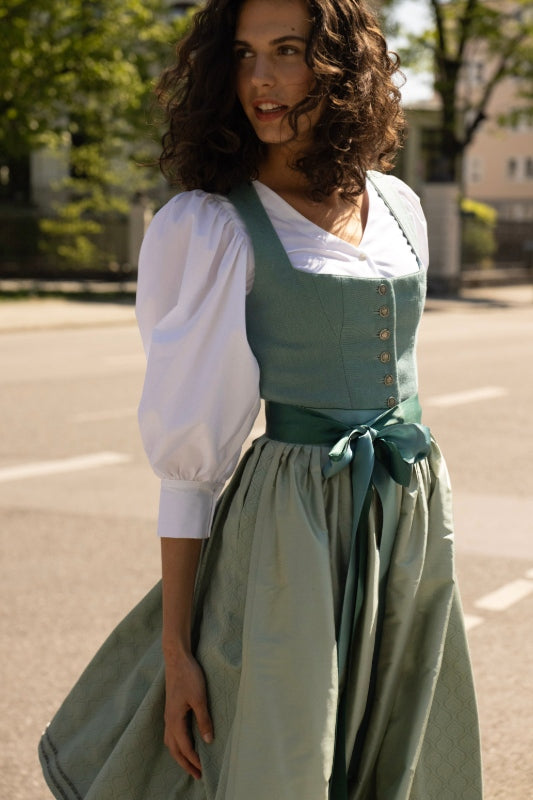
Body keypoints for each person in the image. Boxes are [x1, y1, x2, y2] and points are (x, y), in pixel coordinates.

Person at [39, 1, 483, 798]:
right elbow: (191, 465)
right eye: (244, 55)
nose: (262, 80)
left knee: (397, 749)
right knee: (285, 755)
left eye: (287, 50)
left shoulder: (396, 205)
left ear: (341, 66)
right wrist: (177, 651)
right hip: (291, 528)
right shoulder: (214, 226)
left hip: (407, 512)